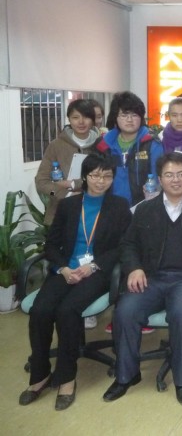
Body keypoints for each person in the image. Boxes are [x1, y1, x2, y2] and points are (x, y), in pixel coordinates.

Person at [103, 153, 182, 406]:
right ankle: (127, 374)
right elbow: (128, 245)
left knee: (181, 314)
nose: (176, 180)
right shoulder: (145, 210)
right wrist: (134, 268)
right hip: (152, 278)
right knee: (125, 311)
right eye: (169, 175)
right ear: (159, 179)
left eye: (181, 174)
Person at [21, 155, 131, 411]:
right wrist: (63, 268)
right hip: (66, 270)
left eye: (107, 176)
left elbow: (123, 246)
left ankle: (66, 378)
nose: (100, 181)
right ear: (84, 177)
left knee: (67, 311)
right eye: (95, 175)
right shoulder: (68, 205)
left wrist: (93, 266)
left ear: (113, 179)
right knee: (40, 311)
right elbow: (51, 244)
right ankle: (40, 375)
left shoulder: (119, 206)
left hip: (97, 272)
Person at [35, 99, 100, 225]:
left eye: (86, 117)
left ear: (93, 120)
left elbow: (106, 177)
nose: (81, 122)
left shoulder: (101, 145)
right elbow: (41, 183)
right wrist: (63, 194)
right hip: (60, 212)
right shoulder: (56, 146)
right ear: (69, 119)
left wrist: (73, 184)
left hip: (94, 212)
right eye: (75, 117)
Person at [95, 91, 164, 207]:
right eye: (124, 115)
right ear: (115, 117)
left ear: (141, 117)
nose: (129, 119)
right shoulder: (103, 145)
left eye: (134, 115)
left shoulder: (152, 143)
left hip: (143, 208)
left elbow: (158, 179)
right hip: (109, 207)